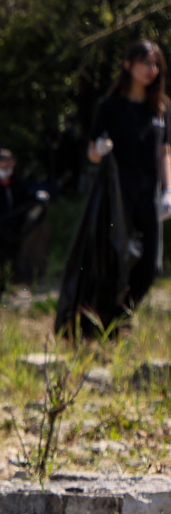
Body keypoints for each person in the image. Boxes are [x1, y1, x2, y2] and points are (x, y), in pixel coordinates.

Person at [86, 40, 171, 316]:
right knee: (116, 258)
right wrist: (99, 150)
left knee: (150, 265)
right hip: (119, 190)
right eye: (146, 62)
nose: (152, 69)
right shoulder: (110, 106)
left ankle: (121, 316)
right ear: (128, 65)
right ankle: (103, 321)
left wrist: (169, 190)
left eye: (156, 64)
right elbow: (92, 153)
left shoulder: (161, 108)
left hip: (150, 191)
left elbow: (164, 152)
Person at [0, 148, 50, 295]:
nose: (5, 168)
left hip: (14, 231)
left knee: (15, 259)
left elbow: (26, 201)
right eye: (2, 164)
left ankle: (16, 286)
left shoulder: (17, 184)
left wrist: (38, 196)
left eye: (8, 164)